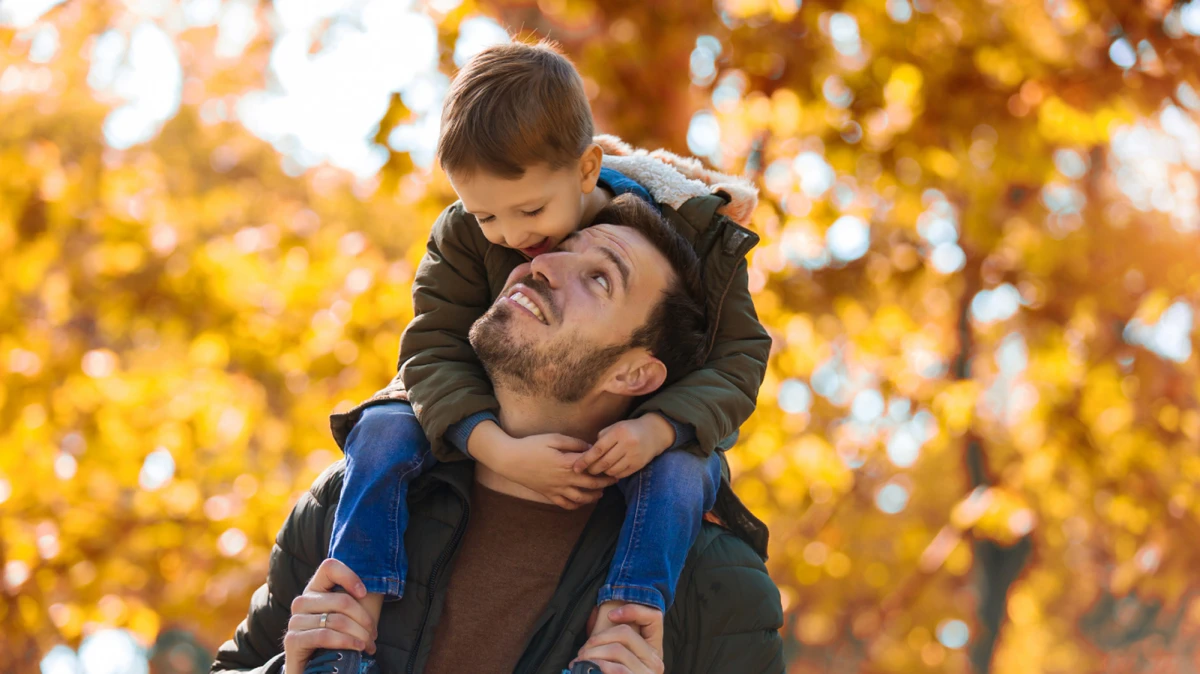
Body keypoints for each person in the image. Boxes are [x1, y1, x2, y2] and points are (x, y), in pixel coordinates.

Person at [312, 38, 772, 673]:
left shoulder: (695, 240)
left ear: (587, 169)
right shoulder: (467, 234)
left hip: (663, 436)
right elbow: (429, 345)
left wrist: (660, 426)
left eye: (529, 210)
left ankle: (628, 621)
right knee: (381, 427)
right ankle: (352, 598)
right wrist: (492, 445)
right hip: (459, 414)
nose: (516, 239)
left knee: (679, 476)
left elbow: (741, 357)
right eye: (487, 217)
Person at [211, 202, 785, 673]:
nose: (545, 266)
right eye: (558, 248)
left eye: (599, 278)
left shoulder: (713, 582)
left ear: (633, 373)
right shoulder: (354, 498)